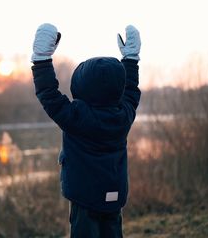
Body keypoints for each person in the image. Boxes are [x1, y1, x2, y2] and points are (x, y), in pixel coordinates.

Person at [31, 23, 141, 238]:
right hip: (114, 195)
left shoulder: (77, 118)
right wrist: (131, 59)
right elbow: (130, 90)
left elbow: (49, 95)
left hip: (84, 198)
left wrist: (41, 59)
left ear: (80, 87)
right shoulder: (124, 115)